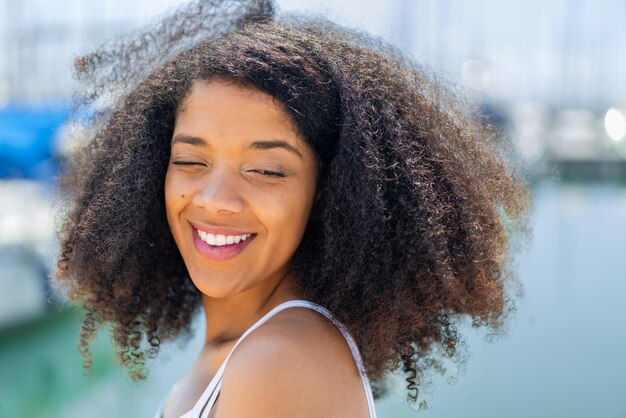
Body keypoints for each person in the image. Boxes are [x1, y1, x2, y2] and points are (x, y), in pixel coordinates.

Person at [52, 0, 532, 417]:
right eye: (191, 160)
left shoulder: (280, 362)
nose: (215, 198)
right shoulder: (250, 348)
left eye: (266, 170)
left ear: (329, 191)